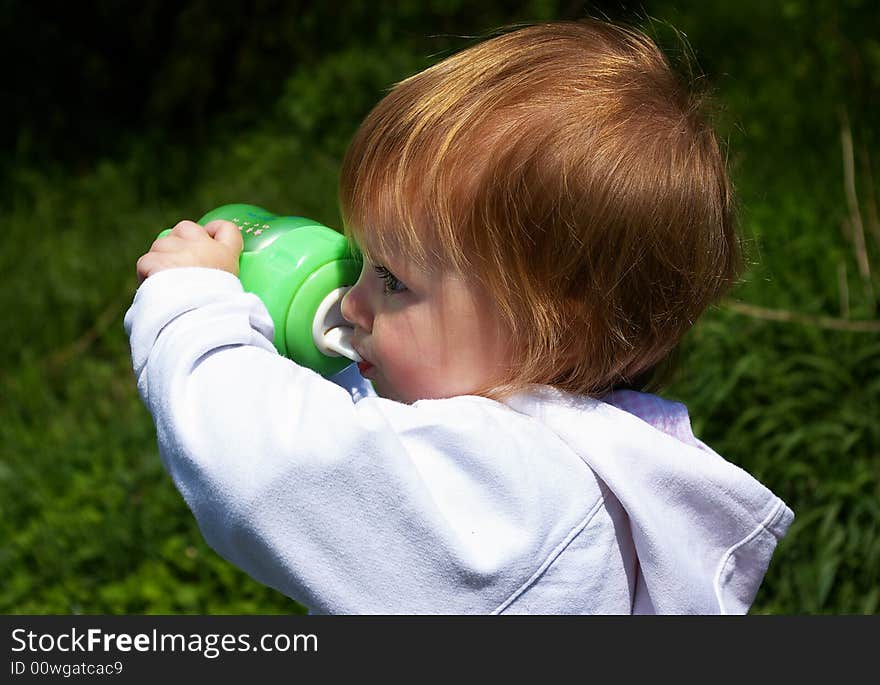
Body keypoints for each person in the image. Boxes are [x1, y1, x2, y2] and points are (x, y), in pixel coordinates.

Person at [125, 19, 793, 614]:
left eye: (391, 279)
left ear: (556, 330)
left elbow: (269, 472)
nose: (353, 303)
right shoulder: (597, 475)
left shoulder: (512, 498)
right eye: (360, 261)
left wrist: (193, 308)